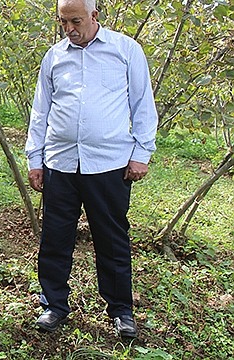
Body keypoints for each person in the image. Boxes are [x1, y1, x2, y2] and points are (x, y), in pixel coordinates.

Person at [25, 0, 158, 339]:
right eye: (63, 22)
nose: (69, 28)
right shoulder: (54, 57)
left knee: (112, 238)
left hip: (109, 164)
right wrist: (34, 159)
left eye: (76, 21)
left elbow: (142, 103)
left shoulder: (126, 50)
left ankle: (121, 310)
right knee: (55, 238)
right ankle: (53, 305)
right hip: (60, 163)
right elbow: (40, 111)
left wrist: (142, 152)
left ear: (94, 17)